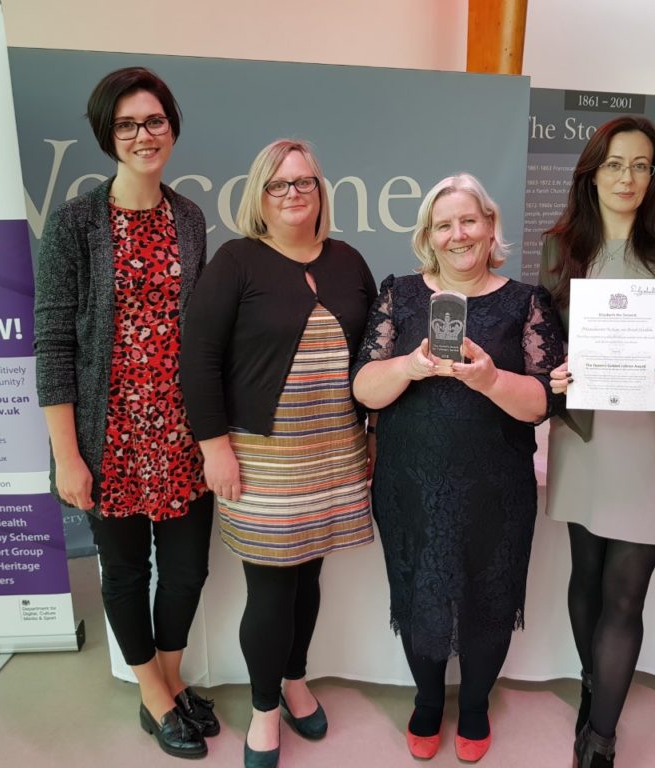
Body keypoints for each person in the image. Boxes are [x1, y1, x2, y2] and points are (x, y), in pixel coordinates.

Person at [34, 67, 216, 759]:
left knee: (189, 569)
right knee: (127, 572)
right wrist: (67, 455)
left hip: (181, 433)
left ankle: (166, 685)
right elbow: (53, 342)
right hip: (107, 437)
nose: (144, 135)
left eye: (155, 120)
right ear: (108, 136)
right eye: (127, 125)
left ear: (171, 126)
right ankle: (153, 692)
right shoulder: (77, 223)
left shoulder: (190, 219)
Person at [352, 173, 565, 764]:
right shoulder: (399, 294)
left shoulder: (526, 301)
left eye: (468, 220)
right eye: (443, 224)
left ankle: (473, 706)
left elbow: (545, 400)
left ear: (490, 226)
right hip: (411, 483)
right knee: (419, 592)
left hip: (496, 485)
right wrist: (411, 368)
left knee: (488, 598)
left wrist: (490, 379)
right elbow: (365, 388)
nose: (458, 234)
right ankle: (426, 700)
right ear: (428, 235)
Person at [179, 139, 376, 768]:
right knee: (269, 588)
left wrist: (371, 434)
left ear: (322, 191)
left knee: (310, 576)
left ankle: (296, 680)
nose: (294, 194)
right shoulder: (237, 260)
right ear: (259, 197)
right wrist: (215, 448)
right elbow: (199, 359)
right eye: (279, 185)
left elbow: (372, 357)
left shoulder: (348, 261)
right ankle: (266, 708)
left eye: (305, 182)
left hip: (336, 450)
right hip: (261, 456)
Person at [539, 116, 655, 768]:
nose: (629, 178)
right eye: (616, 164)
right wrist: (552, 372)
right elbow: (545, 343)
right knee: (585, 577)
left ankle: (601, 739)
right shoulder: (561, 248)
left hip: (654, 438)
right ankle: (595, 687)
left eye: (642, 165)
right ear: (592, 171)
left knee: (625, 591)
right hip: (587, 434)